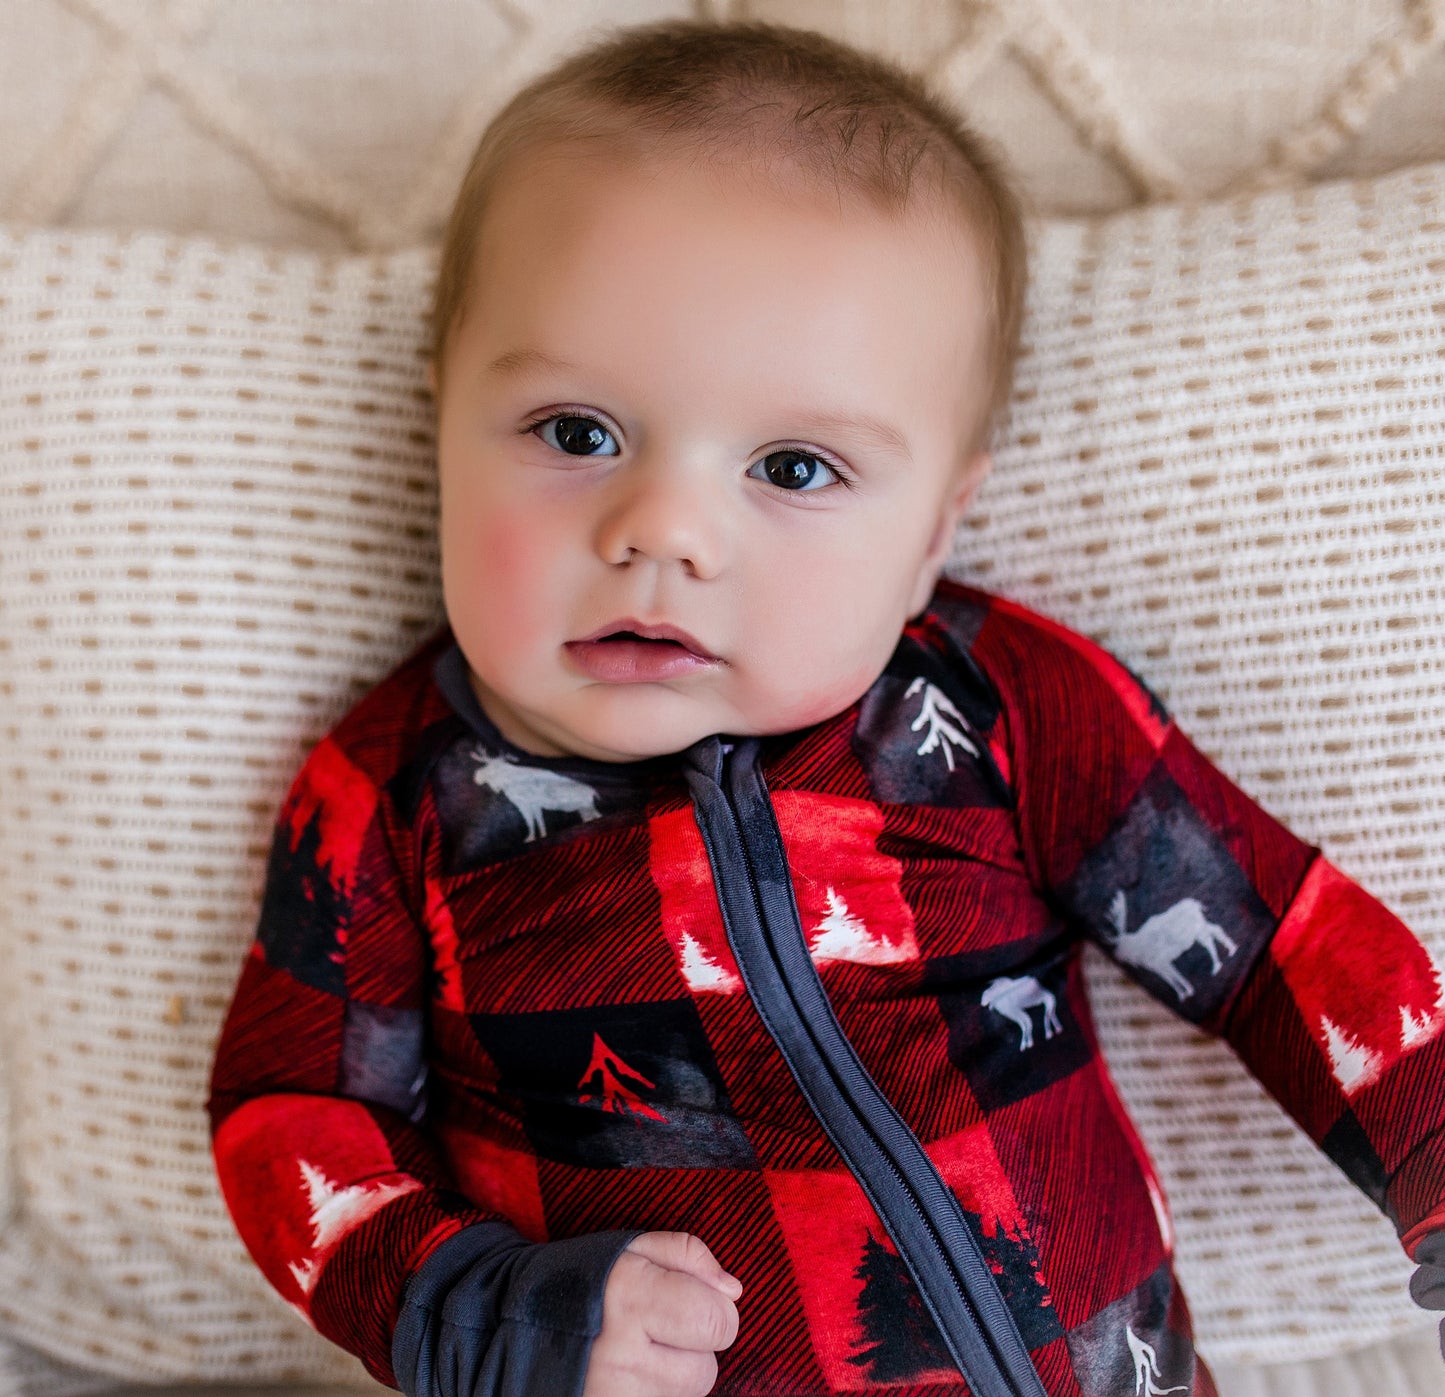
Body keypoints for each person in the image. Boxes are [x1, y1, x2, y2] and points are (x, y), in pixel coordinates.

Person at [206, 18, 1445, 1397]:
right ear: (439, 426)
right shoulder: (392, 791)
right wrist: (473, 1309)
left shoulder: (987, 706)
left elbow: (1278, 939)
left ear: (930, 531)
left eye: (793, 467)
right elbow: (295, 1115)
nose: (663, 529)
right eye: (574, 432)